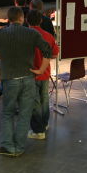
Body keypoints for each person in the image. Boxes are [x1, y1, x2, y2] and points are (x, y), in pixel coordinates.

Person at [0, 6, 52, 157]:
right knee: (25, 114)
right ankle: (20, 146)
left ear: (8, 19)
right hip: (28, 78)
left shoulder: (0, 33)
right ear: (22, 18)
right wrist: (42, 69)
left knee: (8, 113)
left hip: (10, 80)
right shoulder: (32, 33)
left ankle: (9, 146)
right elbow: (47, 50)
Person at [26, 10, 59, 140]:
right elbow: (55, 54)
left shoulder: (25, 36)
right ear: (40, 21)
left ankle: (38, 131)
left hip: (30, 74)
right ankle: (44, 125)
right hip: (45, 72)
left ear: (27, 21)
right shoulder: (48, 36)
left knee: (35, 102)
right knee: (44, 99)